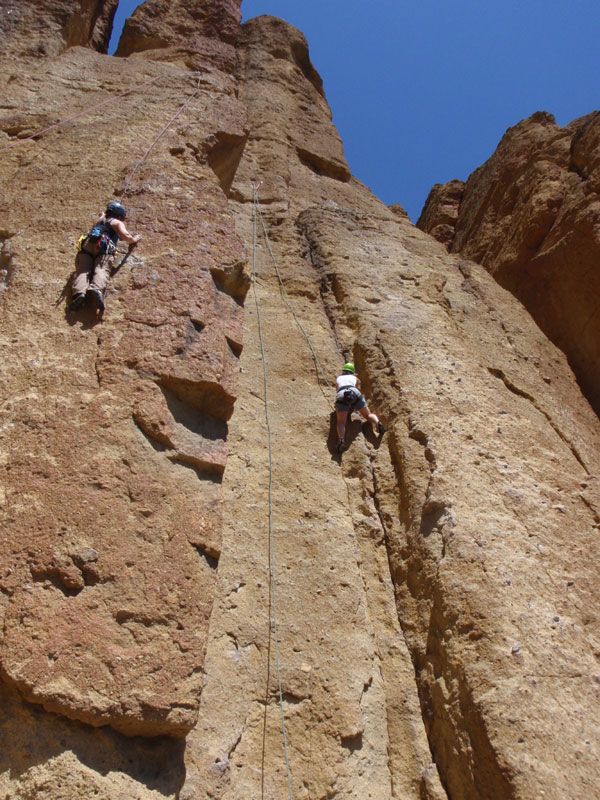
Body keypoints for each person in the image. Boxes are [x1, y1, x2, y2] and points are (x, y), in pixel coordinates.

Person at [69, 201, 141, 312]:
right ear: (119, 215)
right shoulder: (116, 222)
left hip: (87, 245)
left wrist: (102, 215)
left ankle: (79, 293)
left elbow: (94, 228)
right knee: (101, 268)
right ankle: (96, 289)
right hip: (103, 245)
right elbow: (125, 236)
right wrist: (134, 239)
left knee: (83, 270)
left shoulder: (99, 220)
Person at [335, 362, 384, 453]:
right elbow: (357, 389)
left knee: (341, 421)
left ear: (344, 371)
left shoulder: (339, 378)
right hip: (355, 392)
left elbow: (337, 390)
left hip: (342, 394)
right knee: (368, 415)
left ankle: (341, 439)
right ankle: (378, 423)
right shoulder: (355, 378)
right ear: (352, 372)